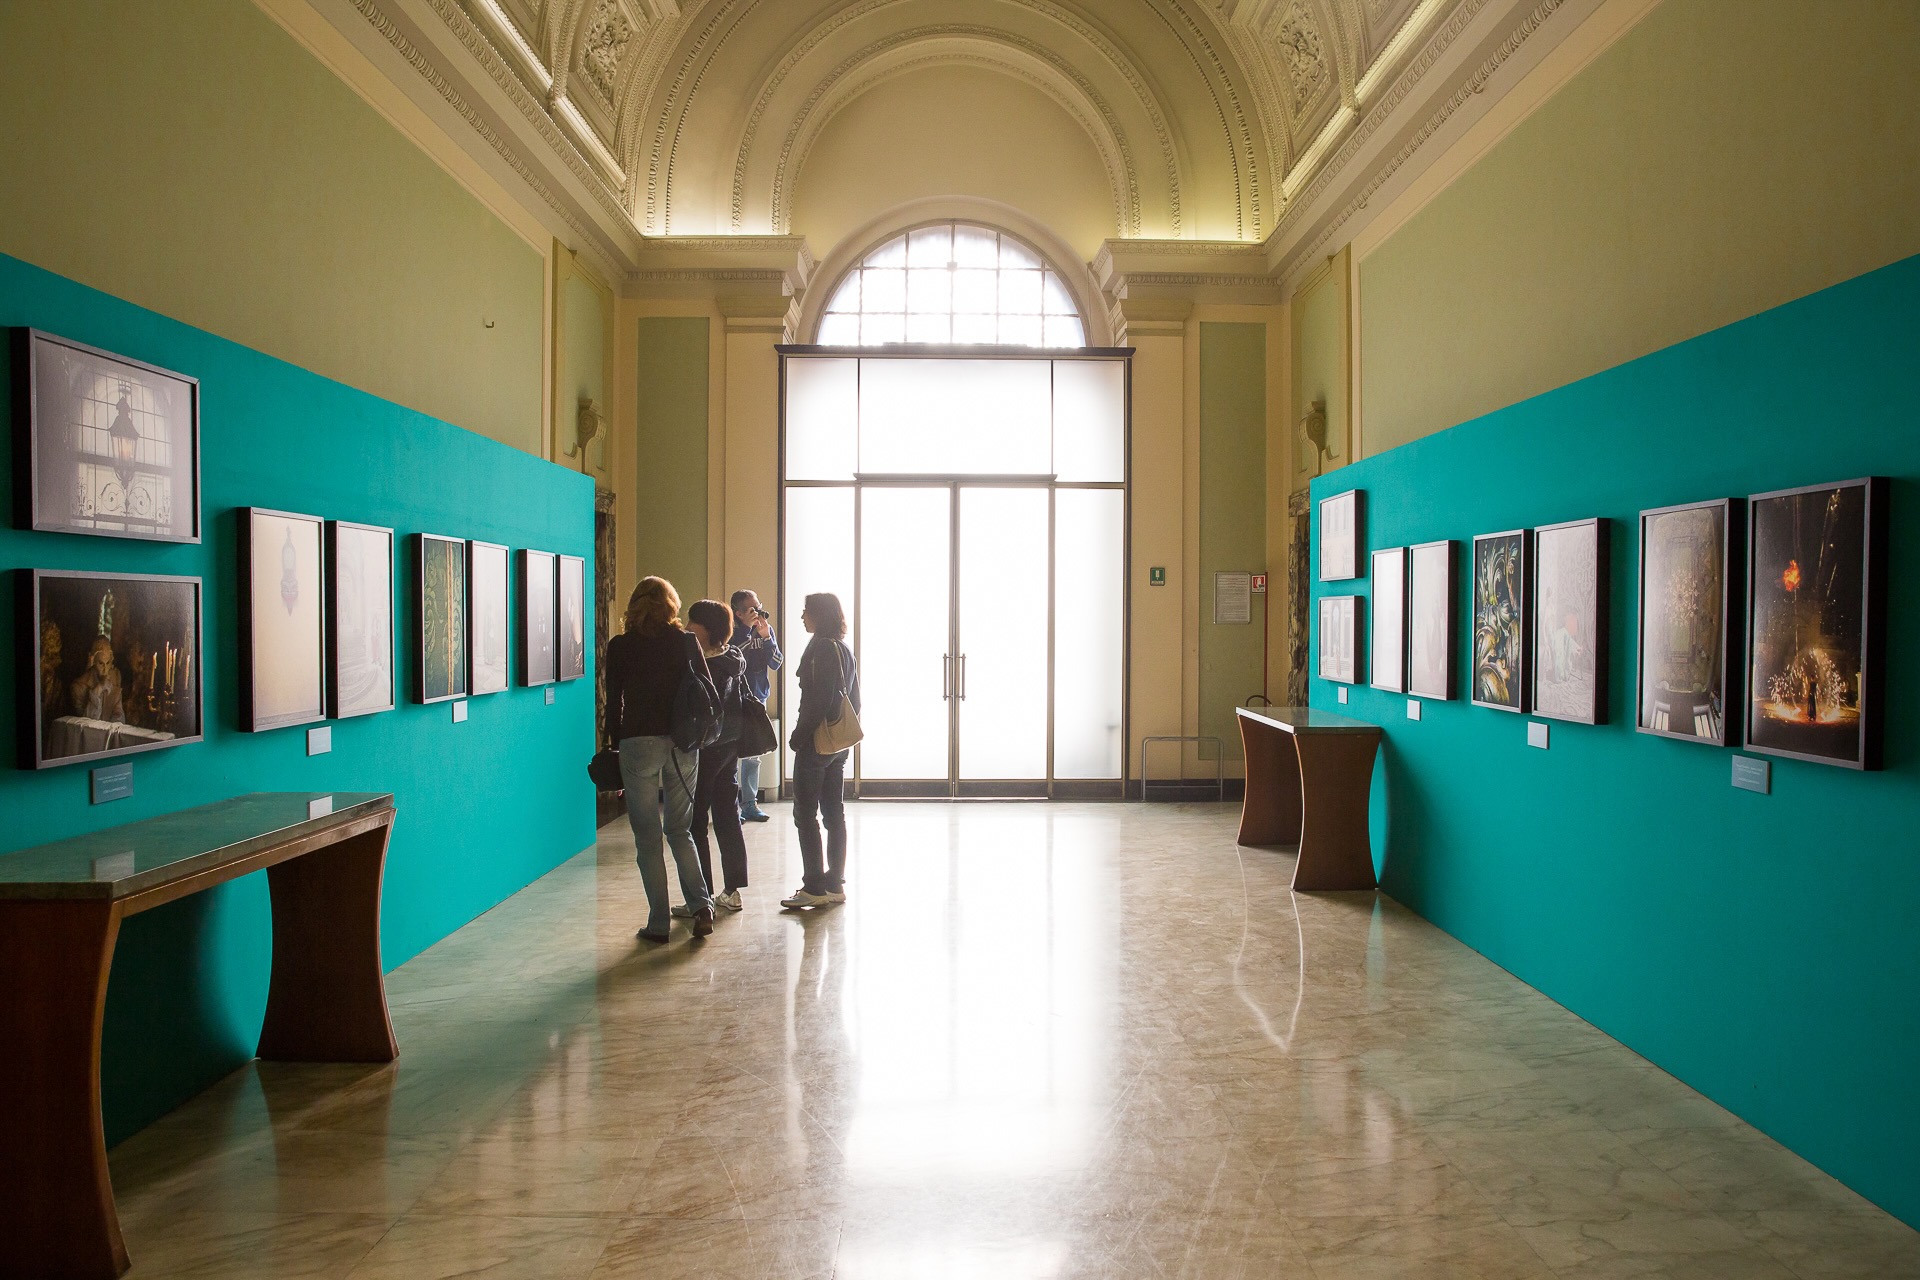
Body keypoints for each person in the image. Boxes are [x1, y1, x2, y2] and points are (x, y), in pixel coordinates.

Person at [602, 576, 716, 942]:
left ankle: (658, 924)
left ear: (635, 605)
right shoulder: (685, 643)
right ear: (672, 605)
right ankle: (701, 907)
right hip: (682, 743)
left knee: (647, 838)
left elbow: (613, 703)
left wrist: (614, 746)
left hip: (638, 744)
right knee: (680, 831)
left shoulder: (620, 646)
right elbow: (705, 692)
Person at [783, 592, 858, 910]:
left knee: (804, 814)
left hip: (817, 741)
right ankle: (834, 885)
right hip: (838, 743)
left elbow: (818, 699)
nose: (802, 616)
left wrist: (799, 736)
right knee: (833, 813)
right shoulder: (843, 649)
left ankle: (813, 885)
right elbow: (854, 698)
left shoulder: (820, 649)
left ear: (819, 615)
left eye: (806, 611)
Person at [682, 599, 750, 913]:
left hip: (707, 748)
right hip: (730, 746)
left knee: (696, 822)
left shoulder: (703, 664)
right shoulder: (732, 658)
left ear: (706, 629)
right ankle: (732, 891)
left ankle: (703, 897)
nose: (686, 627)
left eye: (691, 622)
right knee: (727, 816)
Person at [729, 588, 782, 822]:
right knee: (730, 753)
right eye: (752, 609)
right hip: (732, 699)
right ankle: (731, 806)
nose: (758, 612)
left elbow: (777, 663)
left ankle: (750, 803)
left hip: (757, 698)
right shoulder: (731, 632)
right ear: (738, 613)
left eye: (758, 607)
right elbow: (732, 658)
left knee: (753, 754)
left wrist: (767, 638)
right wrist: (746, 632)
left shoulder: (765, 632)